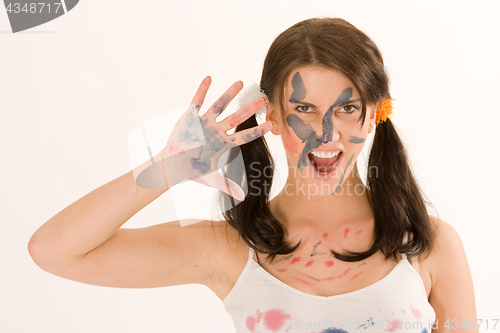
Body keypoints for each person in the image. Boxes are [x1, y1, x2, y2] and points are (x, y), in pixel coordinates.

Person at [28, 18, 477, 333]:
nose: (325, 132)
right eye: (304, 109)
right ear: (274, 118)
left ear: (375, 115)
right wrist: (168, 168)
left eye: (345, 108)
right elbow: (55, 251)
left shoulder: (429, 244)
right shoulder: (227, 248)